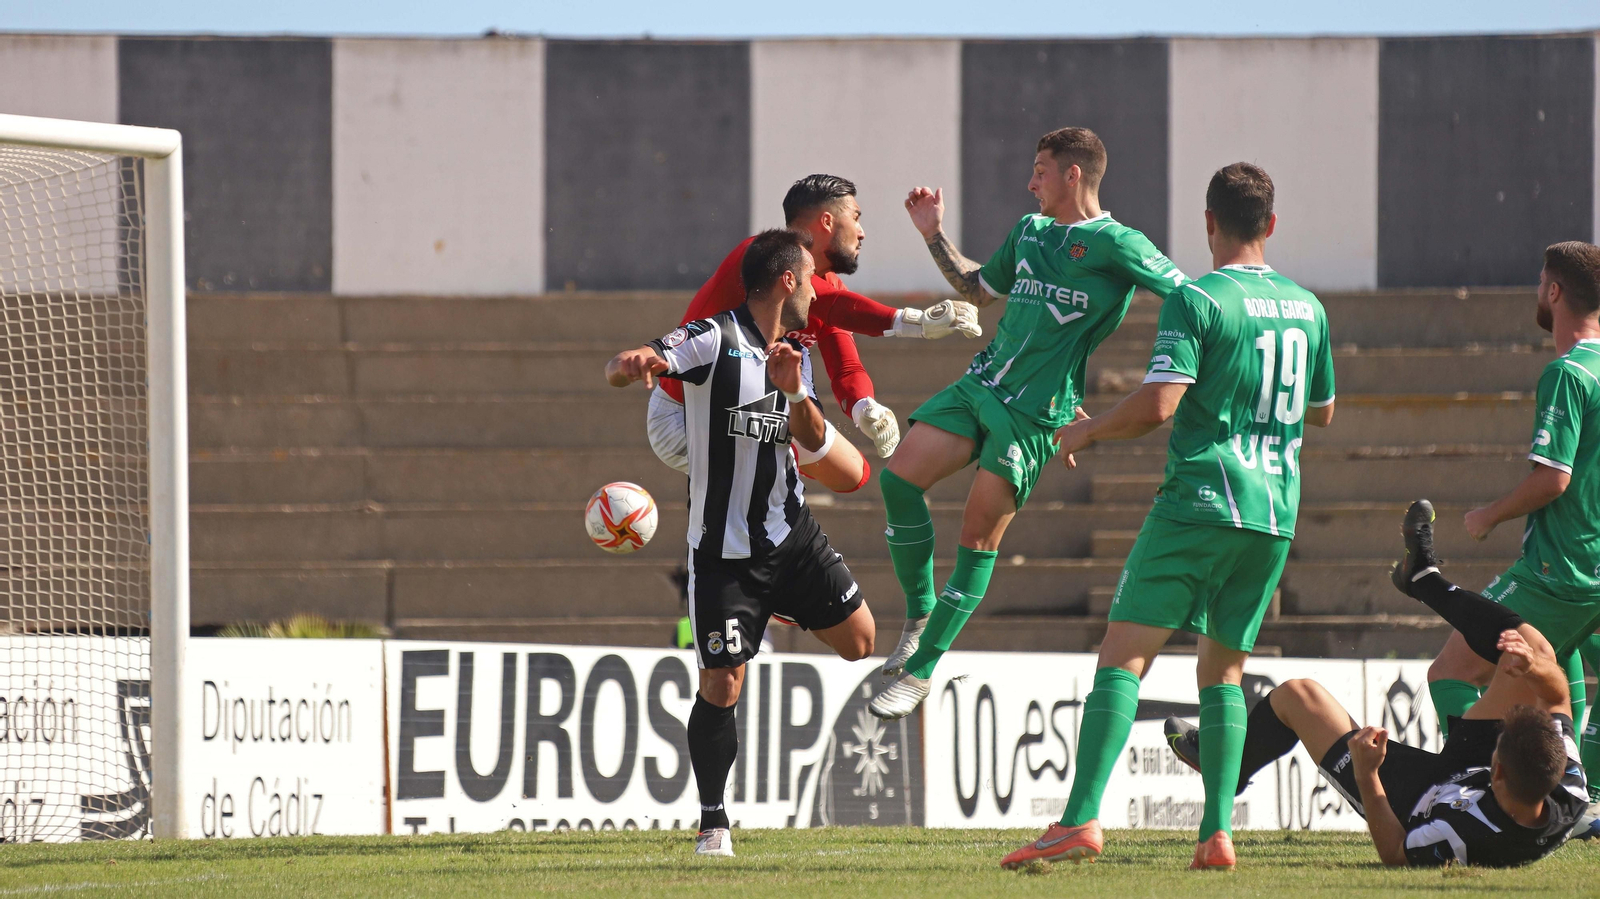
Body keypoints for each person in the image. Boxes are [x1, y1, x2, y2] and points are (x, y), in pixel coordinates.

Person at [998, 163, 1336, 870]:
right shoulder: (1309, 308)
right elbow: (1323, 409)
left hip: (1201, 500)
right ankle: (1217, 833)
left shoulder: (1199, 297)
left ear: (1208, 223)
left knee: (1123, 656)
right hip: (1275, 511)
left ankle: (1080, 818)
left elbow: (1158, 404)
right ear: (1271, 225)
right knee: (1224, 674)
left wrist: (1084, 431)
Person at [869, 128, 1188, 719]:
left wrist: (1171, 369)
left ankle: (922, 669)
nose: (1030, 182)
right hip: (981, 382)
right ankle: (919, 614)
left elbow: (1188, 296)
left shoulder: (1118, 243)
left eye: (1040, 170)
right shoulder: (1029, 230)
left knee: (976, 535)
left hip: (1036, 415)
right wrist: (932, 232)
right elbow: (976, 290)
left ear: (1073, 174)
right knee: (897, 479)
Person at [605, 229, 876, 858]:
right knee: (724, 683)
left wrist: (796, 391)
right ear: (787, 280)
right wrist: (633, 365)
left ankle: (779, 602)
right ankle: (713, 822)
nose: (817, 288)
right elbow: (643, 358)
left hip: (791, 531)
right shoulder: (713, 336)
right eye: (810, 278)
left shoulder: (794, 350)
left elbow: (810, 438)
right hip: (723, 549)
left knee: (860, 642)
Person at [1165, 500, 1589, 868]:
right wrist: (1532, 668)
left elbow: (1396, 853)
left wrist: (1368, 775)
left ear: (1498, 771)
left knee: (1298, 696)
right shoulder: (1568, 793)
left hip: (1418, 796)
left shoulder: (1464, 835)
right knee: (1537, 651)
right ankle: (1425, 579)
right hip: (1473, 774)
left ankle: (1229, 768)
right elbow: (1557, 694)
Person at [648, 174, 982, 493]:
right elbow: (835, 305)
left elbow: (846, 365)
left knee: (853, 472)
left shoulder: (825, 288)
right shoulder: (760, 256)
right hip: (687, 415)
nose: (862, 232)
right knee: (772, 482)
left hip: (755, 411)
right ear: (827, 222)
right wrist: (913, 321)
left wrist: (865, 407)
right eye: (856, 217)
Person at [1423, 243, 1600, 810]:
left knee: (1451, 668)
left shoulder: (1569, 374)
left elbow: (1553, 480)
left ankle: (1475, 790)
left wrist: (1488, 515)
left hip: (1562, 569)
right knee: (1559, 668)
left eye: (1540, 279)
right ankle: (1584, 796)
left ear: (1554, 291)